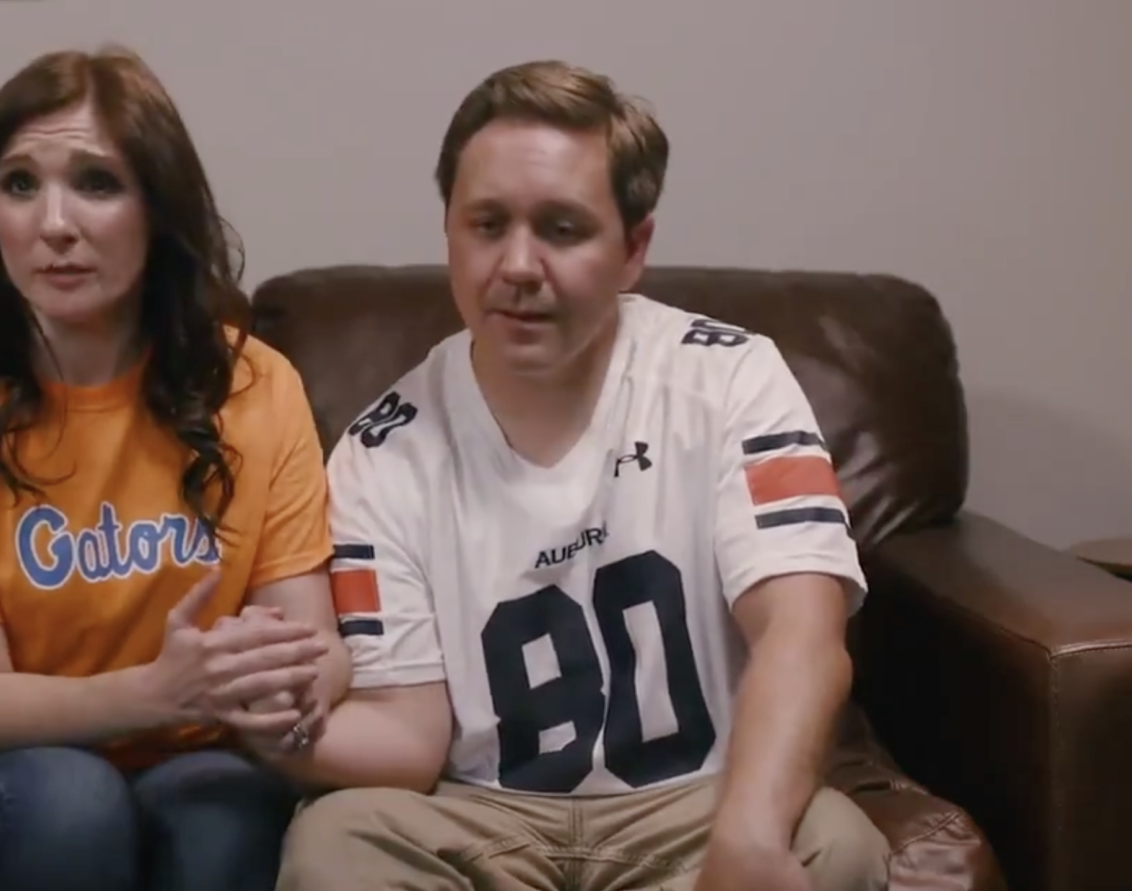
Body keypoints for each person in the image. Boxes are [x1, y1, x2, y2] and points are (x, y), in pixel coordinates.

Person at [265, 60, 892, 891]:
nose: (519, 265)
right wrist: (257, 723)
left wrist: (749, 833)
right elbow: (407, 731)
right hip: (479, 813)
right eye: (487, 224)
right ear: (449, 231)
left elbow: (802, 632)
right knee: (335, 843)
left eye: (561, 229)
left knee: (836, 844)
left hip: (696, 803)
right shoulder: (380, 453)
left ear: (634, 249)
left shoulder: (734, 377)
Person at [0, 45, 348, 891]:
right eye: (19, 184)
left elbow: (313, 640)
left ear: (160, 208)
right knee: (74, 799)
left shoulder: (256, 384)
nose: (53, 223)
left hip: (179, 757)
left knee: (228, 808)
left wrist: (289, 692)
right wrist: (162, 690)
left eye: (97, 183)